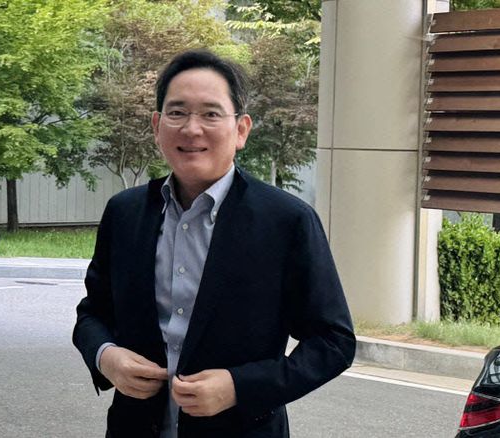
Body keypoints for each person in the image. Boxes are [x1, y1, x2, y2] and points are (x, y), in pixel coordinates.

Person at [73, 49, 355, 438]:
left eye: (210, 114)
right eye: (177, 112)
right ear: (157, 126)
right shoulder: (125, 213)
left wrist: (240, 387)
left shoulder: (286, 221)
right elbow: (92, 314)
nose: (192, 129)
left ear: (241, 130)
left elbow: (334, 343)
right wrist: (107, 357)